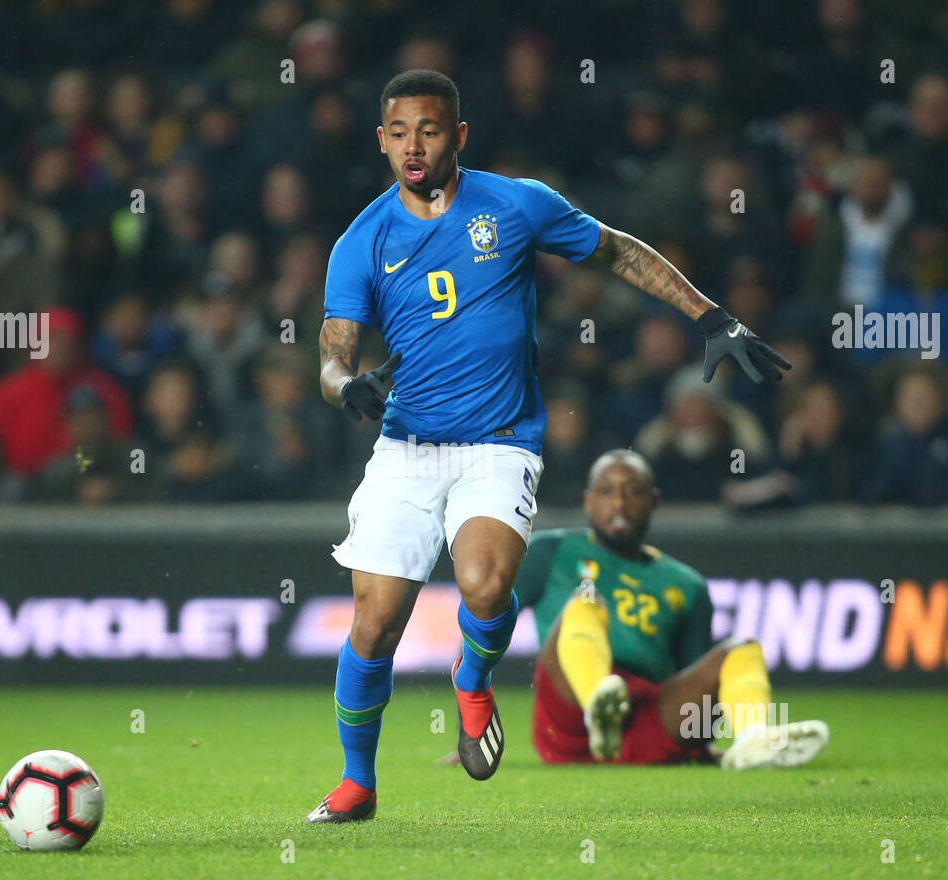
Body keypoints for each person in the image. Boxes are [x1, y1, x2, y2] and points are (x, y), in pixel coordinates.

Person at [306, 70, 791, 822]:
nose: (413, 145)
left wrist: (708, 314)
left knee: (487, 584)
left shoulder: (516, 203)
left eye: (430, 130)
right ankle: (357, 782)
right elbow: (333, 354)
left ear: (457, 136)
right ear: (381, 138)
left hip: (500, 441)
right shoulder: (361, 240)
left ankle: (473, 681)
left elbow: (617, 251)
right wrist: (347, 387)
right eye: (399, 131)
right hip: (405, 446)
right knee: (373, 624)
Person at [515, 449, 828, 769]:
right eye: (607, 491)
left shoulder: (686, 585)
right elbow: (491, 623)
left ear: (653, 502)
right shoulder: (548, 551)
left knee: (741, 651)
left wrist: (700, 746)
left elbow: (692, 679)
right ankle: (598, 701)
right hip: (568, 712)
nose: (619, 503)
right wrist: (476, 726)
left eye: (633, 492)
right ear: (588, 501)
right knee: (585, 602)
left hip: (643, 716)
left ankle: (754, 740)